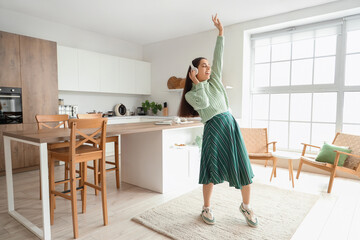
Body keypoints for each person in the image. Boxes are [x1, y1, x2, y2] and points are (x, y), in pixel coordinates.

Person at [178, 14, 258, 228]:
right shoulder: (191, 95)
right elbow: (203, 103)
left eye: (208, 66)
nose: (208, 68)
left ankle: (246, 206)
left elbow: (219, 57)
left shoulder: (214, 81)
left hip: (230, 125)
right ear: (194, 72)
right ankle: (206, 207)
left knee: (243, 166)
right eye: (203, 66)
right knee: (210, 169)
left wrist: (221, 33)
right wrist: (197, 84)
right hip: (213, 128)